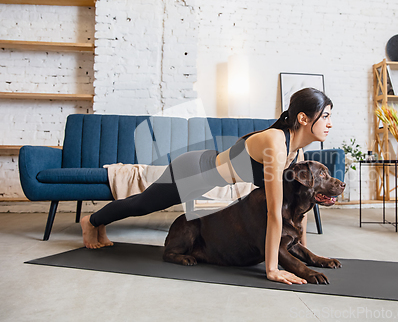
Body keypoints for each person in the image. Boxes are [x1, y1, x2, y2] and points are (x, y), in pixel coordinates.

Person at [81, 87, 333, 285]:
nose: (330, 123)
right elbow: (274, 212)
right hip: (192, 171)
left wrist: (303, 252)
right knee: (141, 204)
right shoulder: (276, 143)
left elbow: (298, 209)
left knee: (141, 204)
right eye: (326, 116)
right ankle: (92, 221)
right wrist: (272, 269)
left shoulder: (296, 153)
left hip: (207, 177)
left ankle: (99, 224)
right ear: (303, 117)